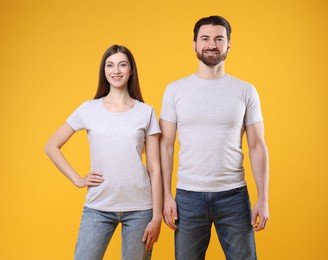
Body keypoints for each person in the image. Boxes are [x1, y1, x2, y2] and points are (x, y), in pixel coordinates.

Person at [160, 16, 269, 260]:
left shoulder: (245, 91)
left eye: (219, 39)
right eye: (205, 38)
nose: (212, 44)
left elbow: (257, 145)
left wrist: (263, 198)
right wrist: (166, 196)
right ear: (194, 44)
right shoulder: (175, 90)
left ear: (229, 45)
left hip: (234, 196)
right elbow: (165, 147)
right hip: (188, 197)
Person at [45, 44, 162, 260]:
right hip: (98, 207)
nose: (116, 71)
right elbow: (51, 146)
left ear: (131, 70)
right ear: (104, 70)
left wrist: (156, 216)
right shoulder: (89, 109)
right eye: (110, 65)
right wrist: (77, 179)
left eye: (122, 65)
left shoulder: (146, 113)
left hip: (140, 209)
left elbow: (155, 168)